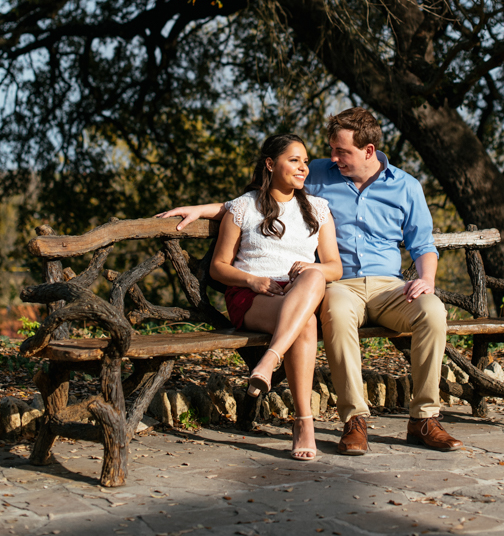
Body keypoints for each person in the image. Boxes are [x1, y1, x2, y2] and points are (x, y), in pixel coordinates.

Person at [158, 108, 462, 456]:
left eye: (341, 152)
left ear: (369, 150)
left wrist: (426, 279)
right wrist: (202, 208)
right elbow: (260, 195)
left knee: (433, 312)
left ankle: (424, 418)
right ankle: (354, 422)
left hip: (389, 285)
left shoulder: (405, 186)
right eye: (330, 150)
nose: (331, 158)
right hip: (338, 285)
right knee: (332, 310)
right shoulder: (317, 171)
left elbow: (423, 245)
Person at [158, 133, 341, 462]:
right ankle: (304, 422)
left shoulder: (318, 209)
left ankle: (269, 362)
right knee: (306, 325)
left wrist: (312, 268)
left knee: (315, 275)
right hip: (254, 297)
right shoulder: (243, 207)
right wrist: (253, 280)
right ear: (271, 164)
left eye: (305, 161)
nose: (303, 168)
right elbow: (218, 267)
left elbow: (335, 268)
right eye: (294, 160)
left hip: (300, 290)